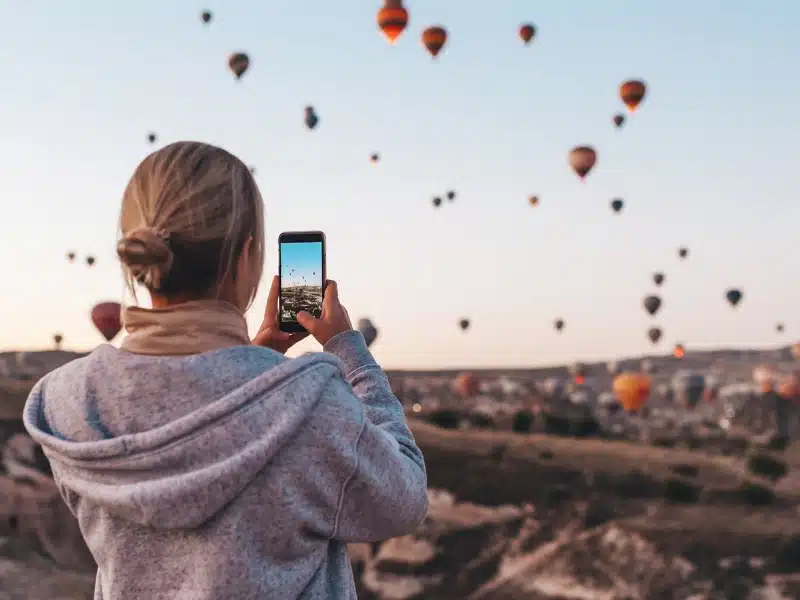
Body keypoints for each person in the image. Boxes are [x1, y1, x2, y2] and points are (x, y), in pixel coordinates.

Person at [23, 141, 428, 599]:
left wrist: (257, 355)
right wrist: (347, 348)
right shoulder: (310, 404)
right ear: (248, 256)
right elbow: (405, 498)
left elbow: (192, 420)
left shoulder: (65, 402)